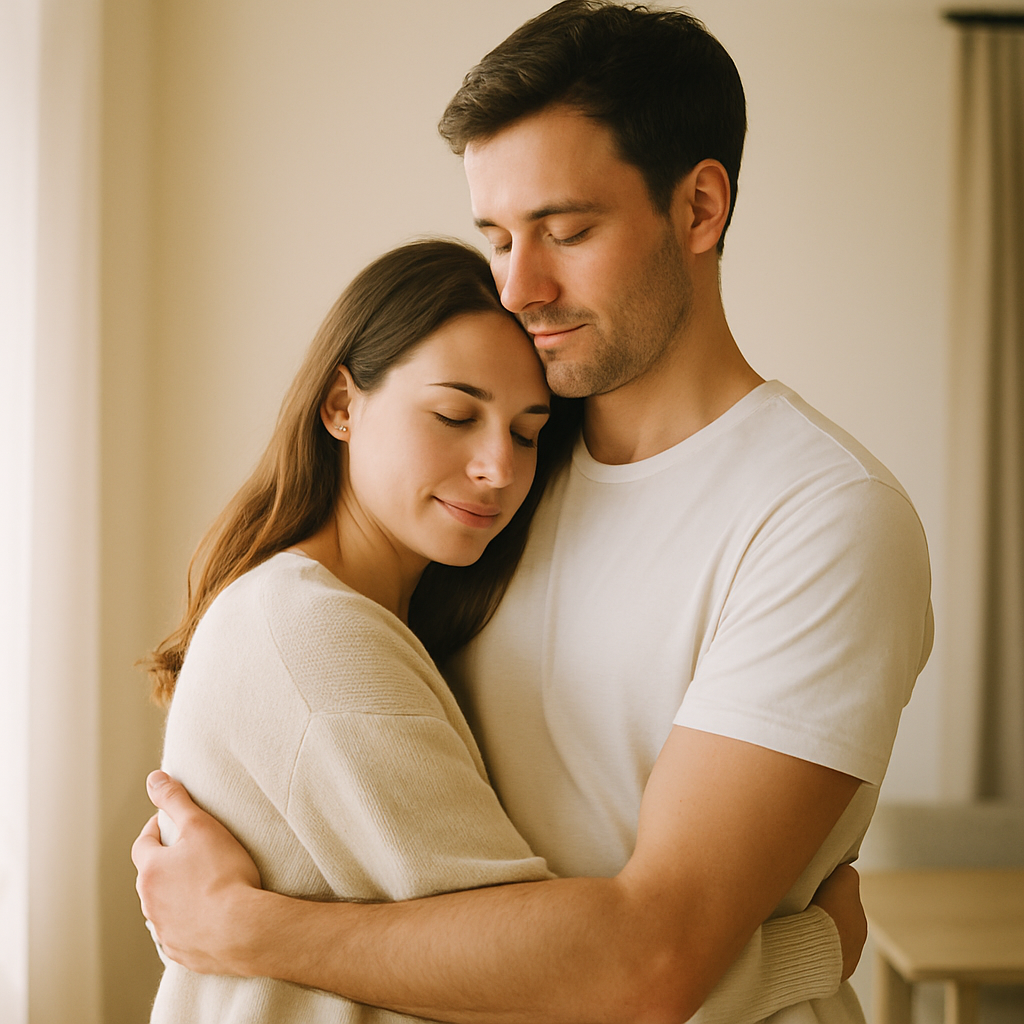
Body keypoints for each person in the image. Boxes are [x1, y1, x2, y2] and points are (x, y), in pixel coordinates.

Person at [133, 4, 934, 1024]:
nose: (521, 287)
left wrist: (251, 931)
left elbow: (653, 961)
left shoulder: (822, 521)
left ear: (698, 208)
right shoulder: (496, 484)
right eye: (498, 237)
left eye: (566, 231)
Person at [141, 237, 858, 1024]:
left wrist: (249, 931)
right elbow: (554, 989)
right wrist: (815, 946)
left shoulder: (368, 618)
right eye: (455, 414)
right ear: (342, 405)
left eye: (526, 433)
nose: (499, 468)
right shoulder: (310, 631)